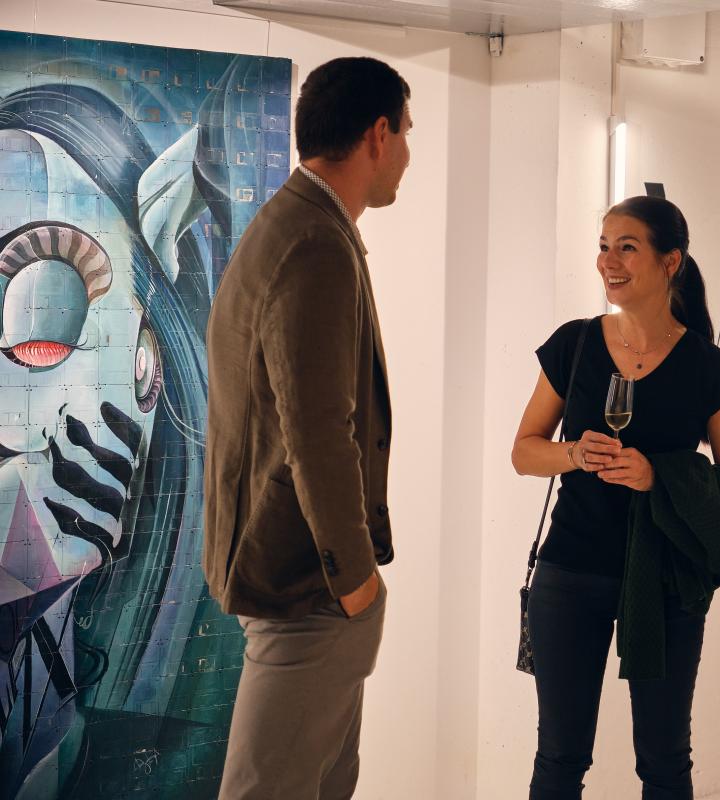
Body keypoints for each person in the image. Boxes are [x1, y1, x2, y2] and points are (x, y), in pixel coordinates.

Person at [203, 57, 411, 799]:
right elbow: (318, 432)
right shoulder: (316, 243)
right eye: (406, 133)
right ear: (378, 135)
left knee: (319, 783)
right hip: (306, 585)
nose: (407, 156)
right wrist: (354, 580)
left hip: (292, 571)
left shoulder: (290, 221)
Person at [511, 196, 720, 799]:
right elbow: (524, 451)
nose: (608, 261)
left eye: (627, 247)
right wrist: (575, 454)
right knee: (559, 756)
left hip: (666, 578)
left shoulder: (709, 368)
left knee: (665, 761)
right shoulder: (574, 345)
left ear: (671, 262)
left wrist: (659, 477)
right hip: (570, 571)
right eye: (603, 246)